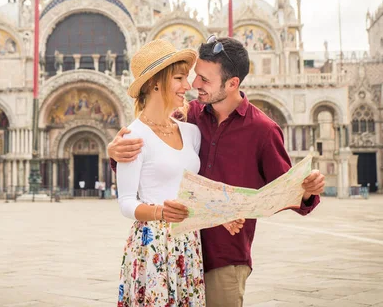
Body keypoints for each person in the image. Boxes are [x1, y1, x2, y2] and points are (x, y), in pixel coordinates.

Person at [109, 35, 325, 306]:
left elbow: (285, 189)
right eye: (193, 76)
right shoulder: (192, 116)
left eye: (204, 79)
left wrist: (306, 191)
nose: (193, 85)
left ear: (232, 83)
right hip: (175, 248)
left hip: (224, 254)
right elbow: (151, 154)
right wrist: (115, 153)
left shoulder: (263, 130)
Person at [116, 39, 219, 306]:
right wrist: (160, 212)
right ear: (155, 83)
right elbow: (126, 203)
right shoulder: (134, 135)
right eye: (179, 78)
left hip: (188, 243)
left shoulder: (191, 133)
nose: (188, 86)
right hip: (153, 244)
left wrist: (224, 214)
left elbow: (196, 189)